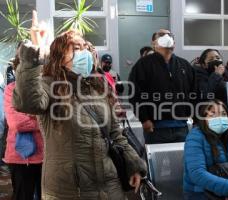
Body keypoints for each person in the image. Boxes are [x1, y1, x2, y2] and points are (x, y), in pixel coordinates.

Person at [12, 11, 146, 199]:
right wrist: (34, 51)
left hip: (109, 188)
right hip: (67, 191)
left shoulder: (97, 87)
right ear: (59, 55)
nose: (83, 52)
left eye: (84, 47)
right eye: (75, 48)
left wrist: (133, 165)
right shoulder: (49, 85)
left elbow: (116, 133)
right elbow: (27, 102)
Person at [128, 29, 195, 144]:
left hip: (181, 126)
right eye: (162, 35)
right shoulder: (143, 65)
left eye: (169, 35)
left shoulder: (184, 65)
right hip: (155, 128)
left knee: (182, 160)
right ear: (153, 44)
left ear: (174, 42)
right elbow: (135, 93)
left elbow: (194, 91)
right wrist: (144, 119)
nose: (167, 37)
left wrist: (194, 116)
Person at [3, 44, 43, 200]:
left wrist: (28, 115)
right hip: (19, 158)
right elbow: (16, 124)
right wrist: (38, 117)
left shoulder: (44, 89)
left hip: (45, 157)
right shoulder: (11, 89)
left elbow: (53, 121)